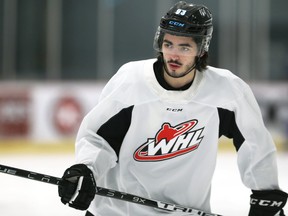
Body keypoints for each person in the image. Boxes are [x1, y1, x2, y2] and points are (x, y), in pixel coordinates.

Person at [58, 1, 287, 215]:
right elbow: (98, 139)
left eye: (184, 47)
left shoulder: (226, 91)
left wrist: (265, 194)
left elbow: (255, 144)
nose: (173, 55)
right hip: (117, 211)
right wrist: (85, 169)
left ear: (201, 50)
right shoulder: (131, 81)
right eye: (168, 44)